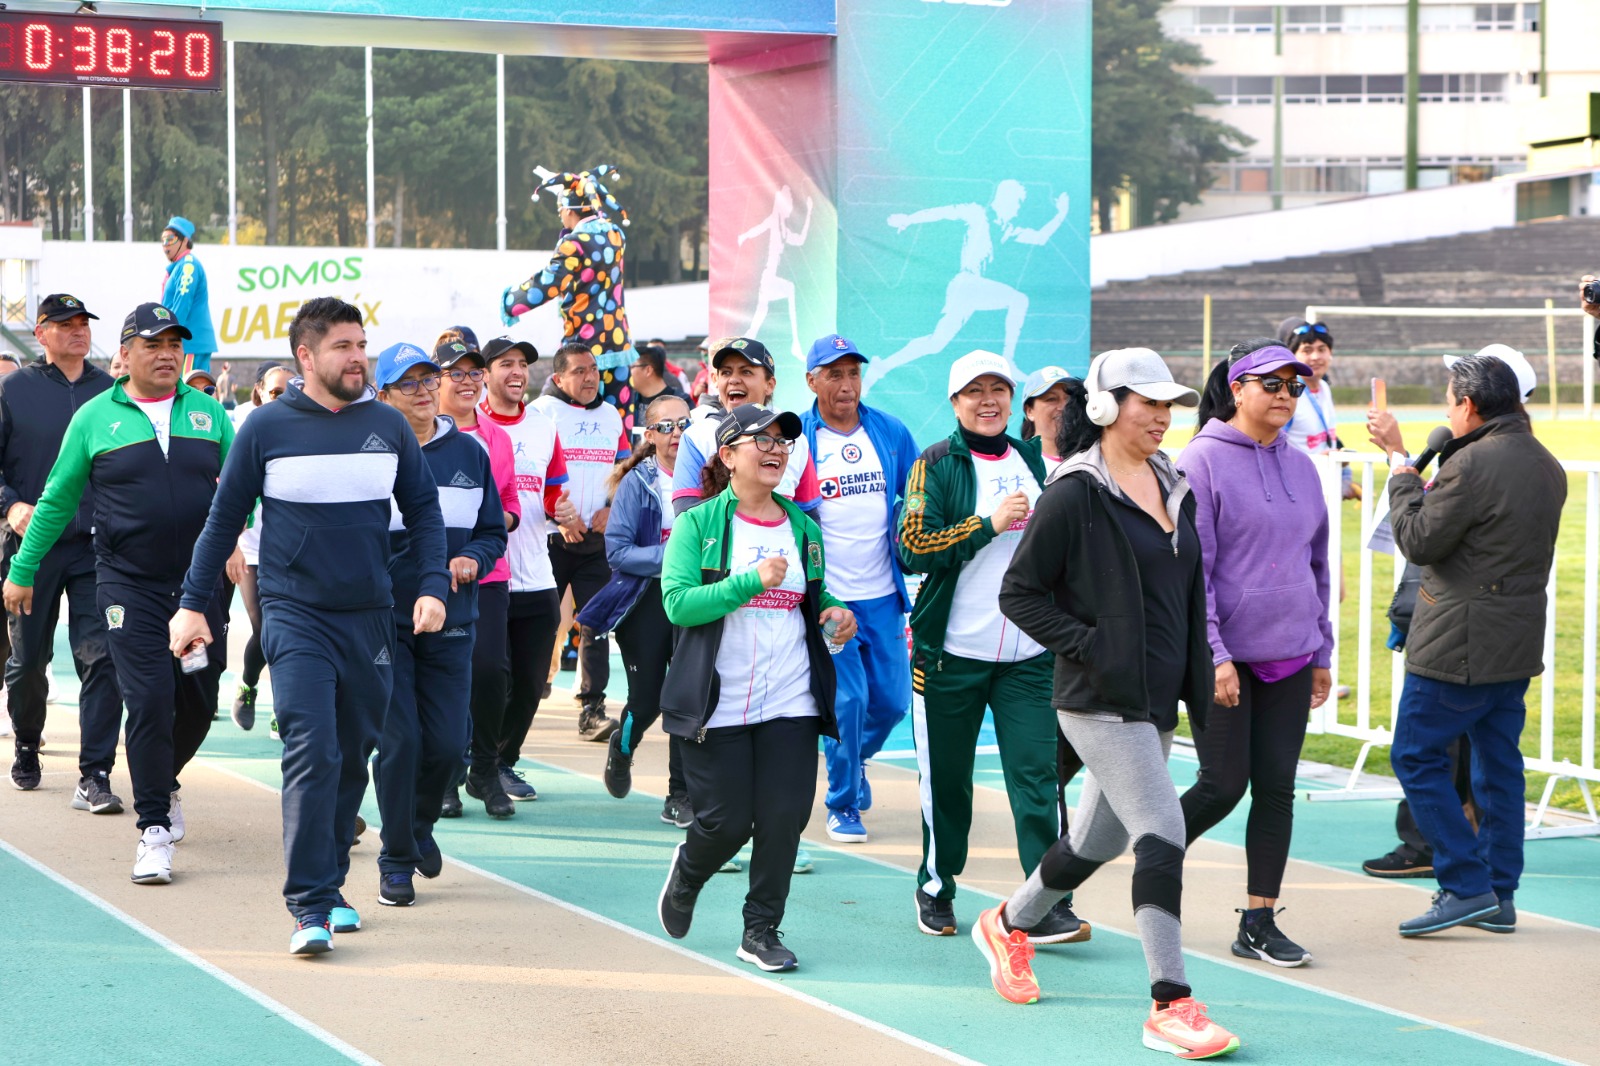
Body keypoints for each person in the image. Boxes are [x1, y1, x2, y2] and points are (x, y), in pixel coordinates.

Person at [167, 296, 449, 956]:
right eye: (343, 347)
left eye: (361, 345)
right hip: (294, 614)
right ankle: (308, 904)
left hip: (372, 617)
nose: (358, 357)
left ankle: (330, 884)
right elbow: (221, 522)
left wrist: (432, 587)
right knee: (312, 747)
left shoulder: (389, 425)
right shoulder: (267, 427)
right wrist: (190, 603)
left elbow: (426, 515)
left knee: (352, 753)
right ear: (306, 356)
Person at [982, 347, 1241, 1059]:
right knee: (1162, 832)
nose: (1160, 415)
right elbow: (1019, 594)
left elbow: (1184, 588)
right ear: (1104, 406)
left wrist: (1203, 663)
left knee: (1099, 841)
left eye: (1167, 404)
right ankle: (1171, 1003)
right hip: (1098, 699)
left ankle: (1008, 923)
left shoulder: (1172, 480)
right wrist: (1091, 645)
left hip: (1154, 697)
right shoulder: (1074, 492)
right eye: (1144, 401)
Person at [3, 302, 231, 884]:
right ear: (125, 355)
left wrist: (236, 539)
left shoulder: (209, 413)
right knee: (149, 698)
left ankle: (163, 778)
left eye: (174, 344)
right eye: (152, 345)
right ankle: (154, 826)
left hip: (199, 587)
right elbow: (56, 499)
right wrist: (24, 568)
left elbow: (242, 489)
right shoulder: (96, 417)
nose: (167, 354)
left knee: (198, 698)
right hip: (127, 584)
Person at [655, 404, 856, 972]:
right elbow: (677, 604)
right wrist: (748, 581)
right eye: (759, 440)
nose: (775, 450)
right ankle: (689, 871)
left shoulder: (803, 527)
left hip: (790, 699)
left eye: (783, 442)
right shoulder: (699, 525)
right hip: (716, 703)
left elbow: (816, 598)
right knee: (726, 823)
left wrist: (836, 615)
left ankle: (761, 929)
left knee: (784, 816)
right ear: (727, 456)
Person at [1369, 355, 1564, 938]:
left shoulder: (1472, 462)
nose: (1448, 411)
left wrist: (1403, 476)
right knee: (1498, 766)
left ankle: (1464, 884)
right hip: (1515, 636)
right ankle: (1498, 893)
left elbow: (1419, 539)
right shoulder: (1544, 462)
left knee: (1415, 754)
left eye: (1451, 400)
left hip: (1460, 638)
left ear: (1469, 406)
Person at [897, 350, 1086, 944]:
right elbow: (912, 547)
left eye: (998, 389)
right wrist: (986, 524)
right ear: (955, 402)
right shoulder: (936, 463)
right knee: (948, 785)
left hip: (1028, 660)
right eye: (974, 391)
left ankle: (1048, 901)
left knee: (1037, 780)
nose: (987, 400)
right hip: (948, 655)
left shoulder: (1035, 461)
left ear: (1014, 401)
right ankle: (936, 885)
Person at [1178, 342, 1333, 968]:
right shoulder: (1201, 461)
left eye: (1295, 386)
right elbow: (1199, 574)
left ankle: (1259, 919)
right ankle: (1155, 850)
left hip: (1293, 654)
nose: (1285, 395)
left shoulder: (1301, 467)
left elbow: (1316, 565)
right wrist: (1215, 654)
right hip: (1228, 657)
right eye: (1270, 383)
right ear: (1237, 389)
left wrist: (1321, 649)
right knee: (1221, 785)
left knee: (1276, 788)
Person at [370, 343, 506, 907]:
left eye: (430, 379)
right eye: (409, 383)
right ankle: (396, 858)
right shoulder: (369, 452)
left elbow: (493, 530)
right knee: (400, 742)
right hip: (385, 622)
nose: (424, 391)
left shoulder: (470, 454)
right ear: (382, 395)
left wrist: (473, 555)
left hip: (453, 619)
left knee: (450, 747)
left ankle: (418, 827)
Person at [1, 294, 124, 807]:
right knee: (29, 662)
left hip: (99, 549)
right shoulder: (14, 391)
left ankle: (94, 771)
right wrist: (10, 507)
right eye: (65, 324)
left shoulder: (113, 393)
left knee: (103, 659)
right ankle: (28, 742)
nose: (78, 331)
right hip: (33, 549)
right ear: (41, 333)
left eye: (84, 324)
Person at [797, 334, 918, 843]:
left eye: (853, 373)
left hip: (883, 596)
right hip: (831, 600)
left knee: (891, 703)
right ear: (813, 381)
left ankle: (854, 760)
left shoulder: (888, 432)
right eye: (834, 374)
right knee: (848, 702)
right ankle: (843, 803)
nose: (846, 385)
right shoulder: (799, 438)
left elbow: (918, 494)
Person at [473, 336, 576, 814]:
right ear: (486, 374)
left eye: (523, 365)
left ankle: (502, 760)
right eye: (506, 364)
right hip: (485, 576)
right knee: (491, 676)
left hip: (537, 573)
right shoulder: (470, 426)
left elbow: (552, 492)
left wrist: (565, 510)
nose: (518, 373)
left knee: (534, 681)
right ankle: (474, 760)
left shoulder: (542, 425)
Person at [578, 394, 692, 819]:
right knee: (647, 702)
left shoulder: (710, 477)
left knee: (686, 701)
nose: (677, 433)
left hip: (693, 602)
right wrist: (675, 558)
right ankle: (622, 748)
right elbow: (618, 553)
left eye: (684, 424)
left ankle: (679, 796)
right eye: (667, 426)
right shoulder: (636, 482)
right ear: (651, 435)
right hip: (644, 602)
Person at [434, 337, 522, 819]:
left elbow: (509, 504)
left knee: (491, 672)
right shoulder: (421, 435)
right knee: (449, 676)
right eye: (456, 373)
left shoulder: (498, 439)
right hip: (429, 578)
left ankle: (484, 770)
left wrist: (486, 535)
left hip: (487, 574)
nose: (467, 382)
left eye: (474, 373)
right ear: (437, 380)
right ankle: (445, 772)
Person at [531, 342, 629, 742]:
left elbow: (625, 468)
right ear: (558, 378)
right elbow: (527, 475)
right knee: (538, 624)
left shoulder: (611, 416)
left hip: (594, 543)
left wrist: (611, 506)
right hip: (548, 540)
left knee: (596, 624)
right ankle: (522, 692)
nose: (590, 377)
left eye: (594, 369)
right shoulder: (541, 414)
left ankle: (592, 708)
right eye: (579, 371)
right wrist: (559, 515)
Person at [501, 165, 635, 410]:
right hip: (619, 346)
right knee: (618, 426)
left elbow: (550, 283)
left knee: (551, 414)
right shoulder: (616, 236)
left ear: (568, 210)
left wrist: (511, 301)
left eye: (560, 210)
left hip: (582, 349)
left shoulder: (574, 244)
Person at [672, 338, 821, 516]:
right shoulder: (697, 436)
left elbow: (809, 515)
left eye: (746, 372)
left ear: (770, 385)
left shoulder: (794, 440)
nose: (734, 380)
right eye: (726, 373)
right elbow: (685, 515)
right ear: (716, 381)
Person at [227, 363, 292, 734]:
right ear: (259, 394)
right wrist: (233, 546)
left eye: (289, 390)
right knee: (266, 627)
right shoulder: (245, 434)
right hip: (251, 551)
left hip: (289, 553)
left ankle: (284, 708)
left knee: (288, 631)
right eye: (274, 392)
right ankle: (249, 684)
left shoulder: (305, 432)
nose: (281, 399)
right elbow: (230, 498)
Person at [159, 217, 218, 375]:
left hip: (190, 342)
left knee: (189, 391)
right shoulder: (179, 266)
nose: (165, 245)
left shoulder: (188, 265)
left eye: (170, 239)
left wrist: (166, 333)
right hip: (185, 342)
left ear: (185, 240)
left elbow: (182, 303)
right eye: (163, 240)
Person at [622, 342, 688, 440]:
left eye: (631, 367)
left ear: (648, 370)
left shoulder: (682, 401)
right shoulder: (628, 401)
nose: (626, 372)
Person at [1019, 366, 1075, 466]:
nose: (1063, 407)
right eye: (1051, 399)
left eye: (1068, 399)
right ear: (1029, 411)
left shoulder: (1090, 457)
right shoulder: (1019, 460)